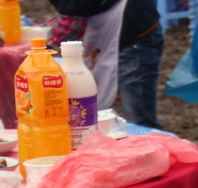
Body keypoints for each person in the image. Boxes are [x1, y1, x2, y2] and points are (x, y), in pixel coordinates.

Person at [47, 0, 165, 129]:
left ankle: (154, 146)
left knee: (139, 116)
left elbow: (75, 15)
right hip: (112, 26)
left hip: (135, 33)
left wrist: (44, 44)